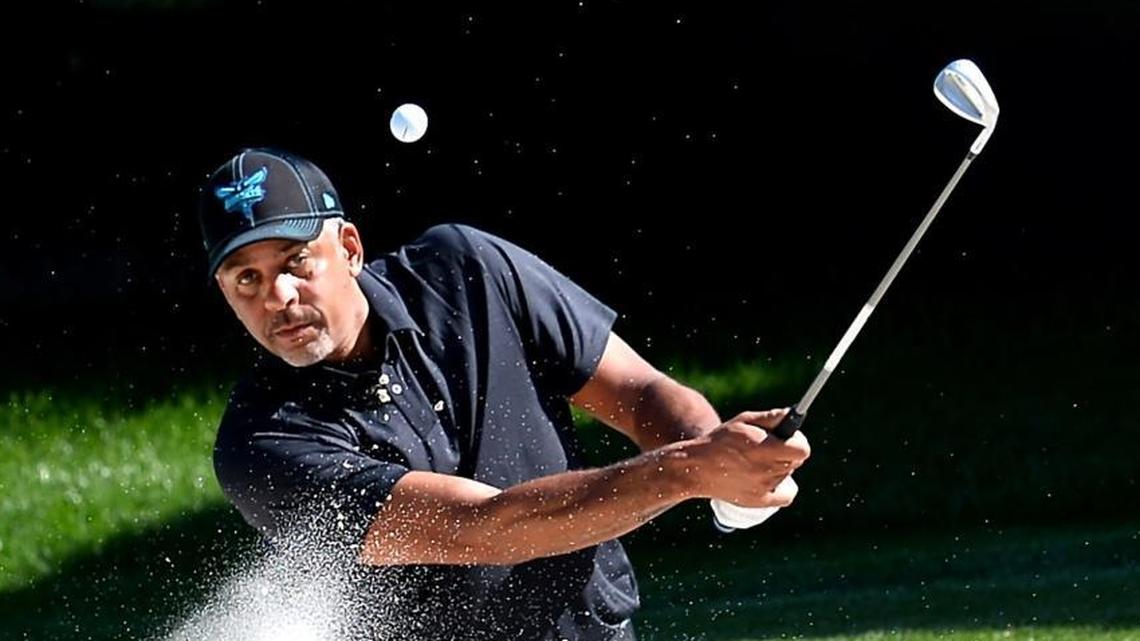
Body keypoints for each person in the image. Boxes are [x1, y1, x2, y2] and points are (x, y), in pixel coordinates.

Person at [199, 147, 810, 641]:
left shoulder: (465, 268)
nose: (276, 297)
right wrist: (691, 472)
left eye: (296, 262)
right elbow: (483, 528)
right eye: (246, 279)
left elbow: (639, 390)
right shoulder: (261, 444)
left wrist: (725, 460)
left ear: (350, 249)